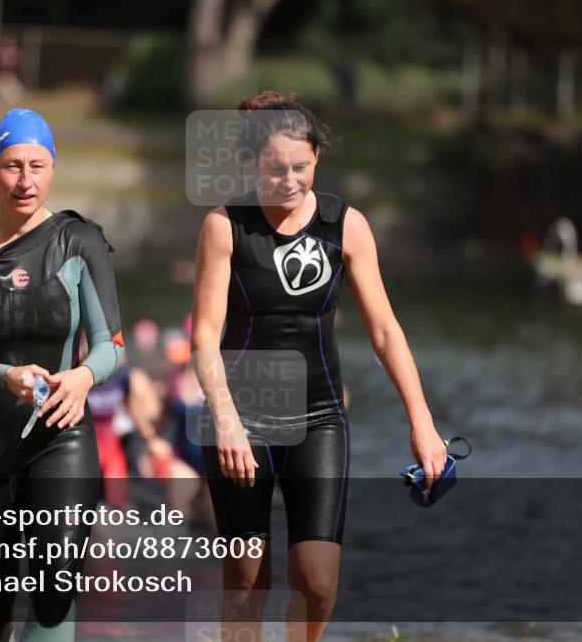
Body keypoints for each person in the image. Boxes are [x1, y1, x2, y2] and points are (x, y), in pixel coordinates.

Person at [191, 91, 447, 642]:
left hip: (319, 414)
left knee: (318, 578)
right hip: (241, 416)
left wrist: (421, 423)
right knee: (246, 578)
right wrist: (227, 419)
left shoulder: (345, 225)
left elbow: (384, 331)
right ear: (253, 161)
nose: (289, 180)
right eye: (276, 168)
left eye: (301, 167)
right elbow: (204, 337)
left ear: (318, 160)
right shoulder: (224, 226)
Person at [0, 108, 124, 642]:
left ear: (53, 169)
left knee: (56, 587)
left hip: (61, 433)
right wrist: (4, 375)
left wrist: (83, 377)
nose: (25, 180)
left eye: (37, 165)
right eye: (12, 166)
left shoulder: (79, 239)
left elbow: (111, 345)